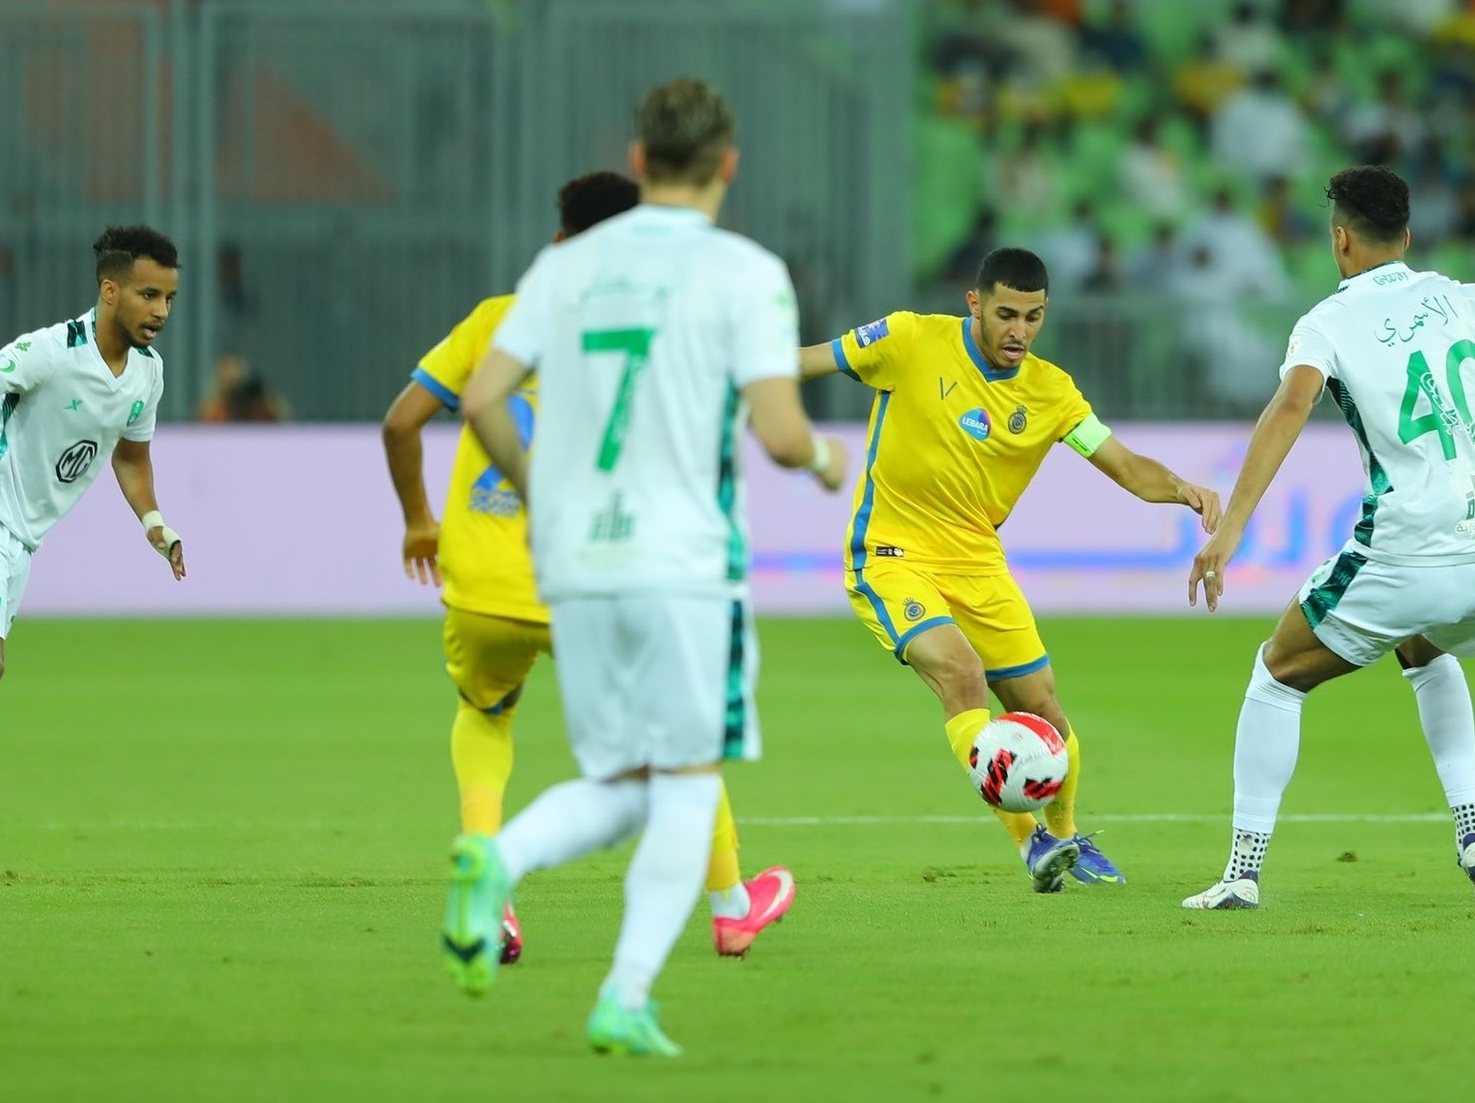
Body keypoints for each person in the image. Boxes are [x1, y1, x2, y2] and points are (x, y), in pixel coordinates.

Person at [451, 78, 848, 1056]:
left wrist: (543, 487)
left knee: (630, 779)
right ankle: (617, 984)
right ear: (727, 163)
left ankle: (497, 864)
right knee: (682, 777)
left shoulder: (565, 269)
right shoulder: (744, 270)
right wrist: (829, 462)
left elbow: (484, 398)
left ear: (637, 160)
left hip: (577, 560)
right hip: (683, 563)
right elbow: (781, 429)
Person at [382, 170, 799, 968]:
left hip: (480, 588)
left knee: (484, 714)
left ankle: (489, 884)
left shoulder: (496, 322)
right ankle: (730, 906)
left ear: (558, 242)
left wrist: (417, 520)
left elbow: (401, 423)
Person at [799, 247, 1221, 891]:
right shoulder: (911, 339)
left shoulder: (1052, 392)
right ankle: (1030, 846)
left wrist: (1186, 489)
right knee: (961, 674)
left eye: (1033, 316)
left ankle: (1065, 835)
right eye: (1005, 315)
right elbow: (807, 362)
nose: (1019, 331)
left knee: (1046, 711)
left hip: (978, 564)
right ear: (974, 304)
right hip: (893, 556)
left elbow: (1127, 467)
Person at [1184, 165, 1475, 910]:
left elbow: (1291, 403)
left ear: (1339, 239)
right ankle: (1471, 829)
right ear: (1406, 236)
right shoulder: (1461, 298)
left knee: (1276, 671)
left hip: (1406, 546)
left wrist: (1232, 527)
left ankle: (1241, 871)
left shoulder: (1326, 322)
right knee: (1424, 645)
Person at [0, 225, 186, 709]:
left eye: (169, 298)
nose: (161, 311)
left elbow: (132, 455)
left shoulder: (148, 372)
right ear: (110, 291)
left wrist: (155, 524)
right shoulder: (53, 351)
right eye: (149, 294)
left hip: (23, 540)